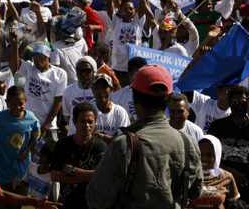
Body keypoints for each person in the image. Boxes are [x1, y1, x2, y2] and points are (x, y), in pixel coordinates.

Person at [86, 64, 203, 208]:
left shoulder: (124, 145)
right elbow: (195, 192)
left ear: (135, 99)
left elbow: (97, 200)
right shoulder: (188, 143)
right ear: (168, 101)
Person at [208, 86, 249, 206]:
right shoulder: (218, 127)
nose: (238, 106)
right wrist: (229, 172)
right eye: (234, 102)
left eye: (242, 102)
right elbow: (206, 156)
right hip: (222, 186)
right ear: (229, 103)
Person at [0, 86, 40, 207]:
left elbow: (35, 138)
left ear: (26, 101)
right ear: (7, 103)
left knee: (18, 201)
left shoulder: (32, 119)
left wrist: (26, 151)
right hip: (1, 167)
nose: (17, 108)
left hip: (21, 168)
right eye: (13, 105)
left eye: (20, 104)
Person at [9, 34, 67, 141]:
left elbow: (58, 101)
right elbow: (14, 65)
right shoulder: (29, 67)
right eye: (34, 56)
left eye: (40, 56)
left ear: (47, 56)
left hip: (48, 127)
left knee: (49, 155)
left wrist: (45, 125)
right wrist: (14, 44)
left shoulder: (59, 74)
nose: (37, 59)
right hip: (27, 123)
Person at [50, 102, 106, 208]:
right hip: (65, 203)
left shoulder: (100, 147)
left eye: (90, 122)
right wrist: (87, 177)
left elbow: (100, 176)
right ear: (74, 121)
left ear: (95, 122)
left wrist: (73, 171)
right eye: (83, 121)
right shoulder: (62, 145)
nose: (87, 126)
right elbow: (55, 175)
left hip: (92, 204)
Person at [188, 135, 240, 209]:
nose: (204, 158)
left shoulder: (226, 176)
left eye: (209, 155)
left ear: (217, 155)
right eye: (200, 154)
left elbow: (234, 205)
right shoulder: (188, 175)